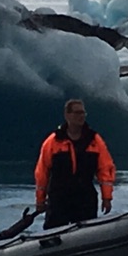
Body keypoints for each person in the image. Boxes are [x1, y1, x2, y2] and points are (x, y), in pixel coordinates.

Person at [34, 98, 115, 229]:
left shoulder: (94, 140)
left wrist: (107, 197)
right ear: (67, 115)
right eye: (77, 113)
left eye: (83, 113)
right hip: (59, 199)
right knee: (53, 233)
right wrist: (40, 200)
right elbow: (42, 172)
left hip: (85, 198)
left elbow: (105, 169)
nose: (81, 116)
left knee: (86, 235)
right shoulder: (53, 141)